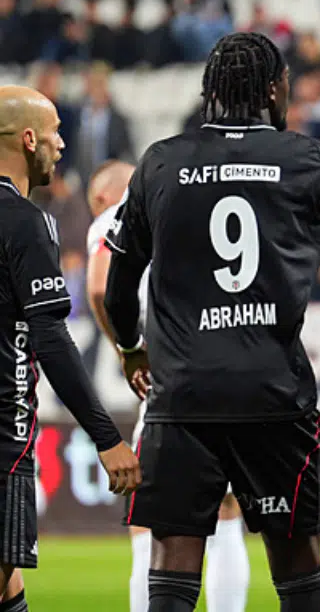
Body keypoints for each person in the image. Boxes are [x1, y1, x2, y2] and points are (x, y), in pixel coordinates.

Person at [103, 32, 320, 612]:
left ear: (209, 93)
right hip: (274, 395)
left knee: (172, 573)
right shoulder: (311, 159)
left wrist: (132, 347)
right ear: (276, 89)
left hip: (182, 398)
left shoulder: (159, 162)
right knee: (299, 576)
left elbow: (117, 285)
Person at [84, 160, 252, 612]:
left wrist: (126, 347)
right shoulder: (187, 207)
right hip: (233, 363)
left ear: (104, 197)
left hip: (172, 375)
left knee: (151, 520)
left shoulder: (116, 216)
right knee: (228, 513)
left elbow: (100, 288)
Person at [0, 85, 140, 612]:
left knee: (9, 587)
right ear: (28, 138)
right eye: (55, 131)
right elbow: (51, 338)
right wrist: (106, 438)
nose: (62, 144)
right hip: (2, 437)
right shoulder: (23, 222)